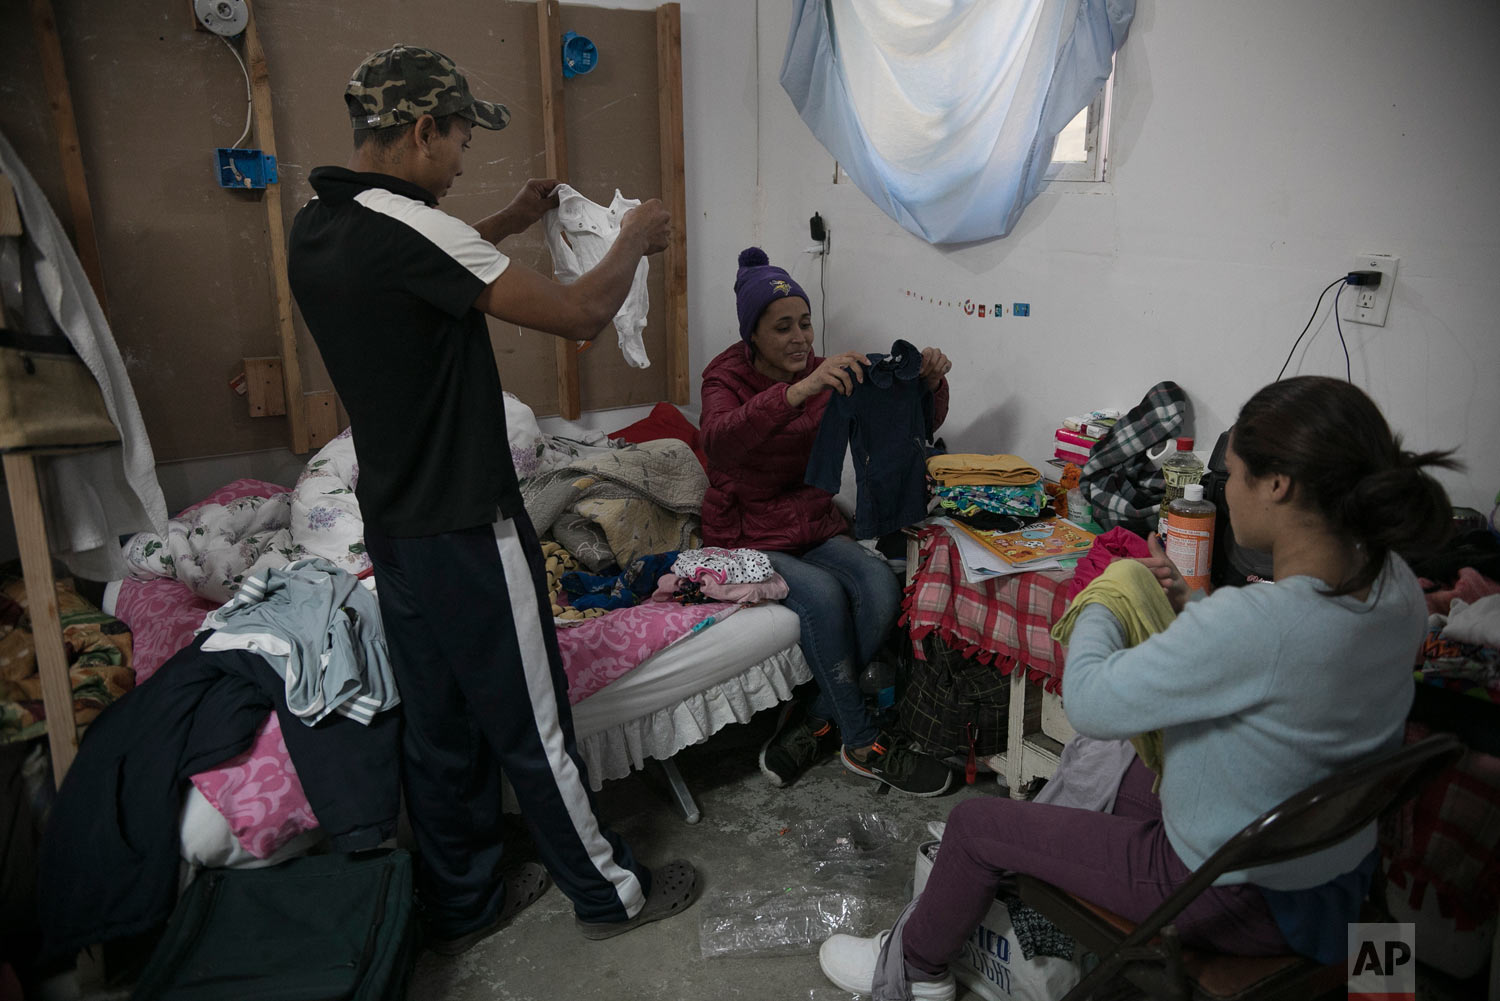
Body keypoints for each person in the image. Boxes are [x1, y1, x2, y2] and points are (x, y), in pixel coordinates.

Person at [817, 375, 1457, 1000]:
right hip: (1338, 867)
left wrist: (1106, 592)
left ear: (1280, 486)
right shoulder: (1394, 585)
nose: (1225, 490)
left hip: (1229, 893)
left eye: (1232, 474)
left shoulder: (1262, 624)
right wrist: (1196, 600)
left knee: (978, 825)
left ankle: (915, 968)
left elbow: (1094, 703)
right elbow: (1272, 652)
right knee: (1120, 778)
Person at [286, 45, 698, 955]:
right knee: (533, 723)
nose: (467, 156)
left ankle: (464, 899)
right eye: (463, 136)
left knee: (440, 728)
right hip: (468, 522)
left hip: (394, 525)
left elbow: (419, 265)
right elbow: (584, 314)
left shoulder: (321, 223)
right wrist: (634, 238)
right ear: (423, 129)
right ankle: (609, 892)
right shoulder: (416, 230)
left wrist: (507, 221)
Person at [698, 246, 955, 796]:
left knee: (882, 586)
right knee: (823, 596)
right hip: (744, 528)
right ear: (753, 336)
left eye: (806, 324)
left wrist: (929, 384)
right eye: (783, 327)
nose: (800, 339)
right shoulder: (724, 378)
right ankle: (862, 740)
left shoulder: (825, 373)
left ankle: (814, 721)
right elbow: (718, 443)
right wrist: (795, 393)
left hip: (808, 517)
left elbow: (900, 425)